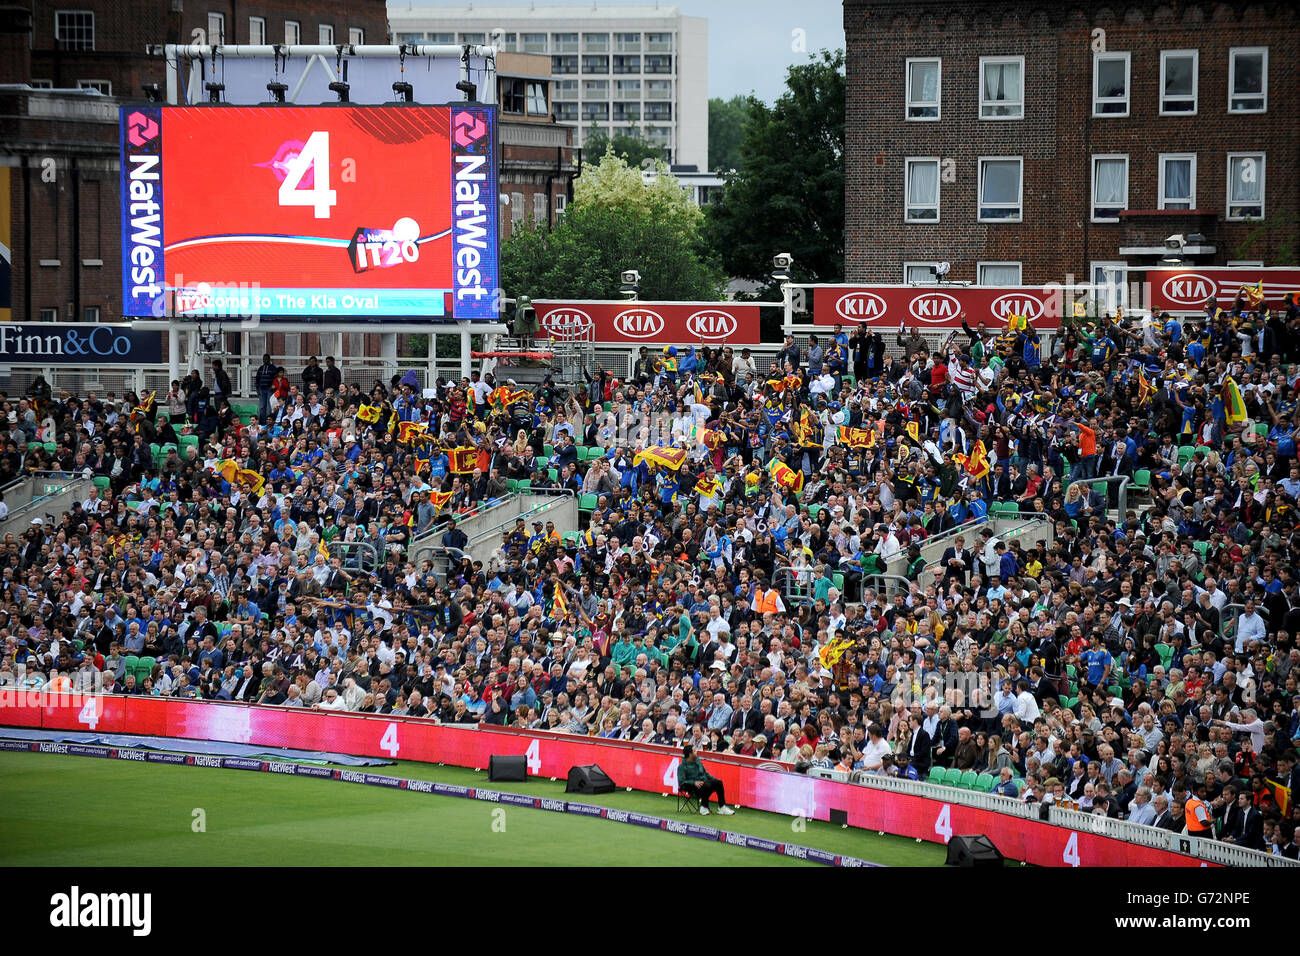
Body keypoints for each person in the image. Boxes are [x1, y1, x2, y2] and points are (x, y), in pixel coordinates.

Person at [676, 744, 734, 816]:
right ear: (690, 754)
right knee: (706, 785)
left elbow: (706, 774)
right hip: (691, 787)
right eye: (694, 751)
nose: (696, 752)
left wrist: (714, 780)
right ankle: (704, 807)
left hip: (704, 783)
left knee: (718, 782)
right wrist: (693, 782)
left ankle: (722, 807)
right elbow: (681, 782)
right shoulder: (681, 767)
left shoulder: (698, 761)